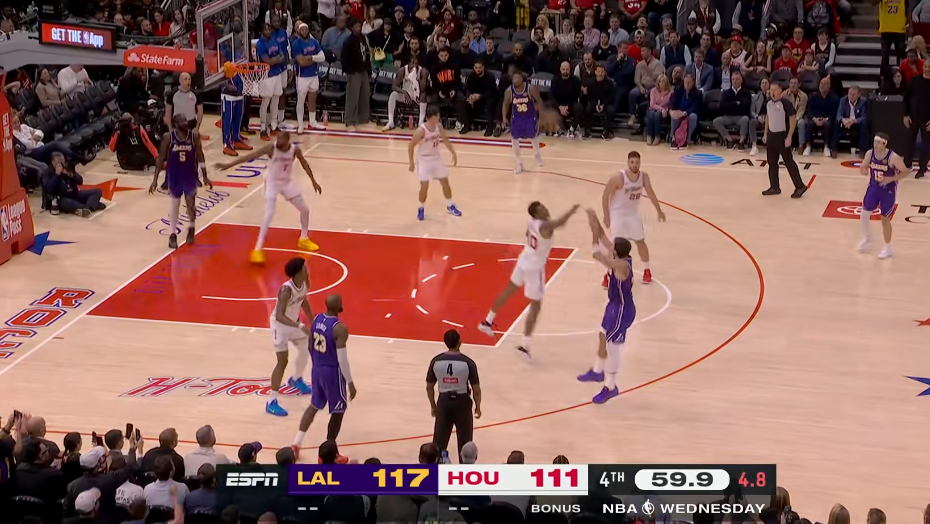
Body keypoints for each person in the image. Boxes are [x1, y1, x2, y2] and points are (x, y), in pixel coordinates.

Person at [478, 201, 581, 356]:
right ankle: (525, 345)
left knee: (509, 290)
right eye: (542, 209)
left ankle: (487, 321)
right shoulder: (545, 226)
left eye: (544, 206)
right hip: (535, 268)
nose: (545, 209)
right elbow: (559, 223)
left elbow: (528, 234)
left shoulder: (532, 222)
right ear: (537, 214)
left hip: (524, 260)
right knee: (536, 305)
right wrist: (571, 211)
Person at [215, 131, 323, 263]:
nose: (278, 143)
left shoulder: (295, 150)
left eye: (281, 141)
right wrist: (228, 165)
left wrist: (313, 181)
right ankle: (257, 249)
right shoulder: (272, 148)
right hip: (272, 181)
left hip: (286, 182)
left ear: (288, 140)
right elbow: (250, 156)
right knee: (269, 214)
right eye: (278, 140)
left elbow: (305, 164)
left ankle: (304, 239)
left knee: (305, 210)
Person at [577, 209, 634, 404]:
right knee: (602, 336)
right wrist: (594, 223)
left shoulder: (622, 266)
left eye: (613, 247)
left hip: (622, 310)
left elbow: (598, 255)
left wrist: (594, 241)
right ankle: (597, 371)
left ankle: (611, 386)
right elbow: (603, 238)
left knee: (614, 347)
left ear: (616, 252)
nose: (611, 247)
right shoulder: (619, 256)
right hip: (613, 306)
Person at [291, 294, 356, 464]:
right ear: (339, 306)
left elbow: (310, 345)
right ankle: (329, 453)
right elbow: (342, 359)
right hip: (332, 372)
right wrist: (350, 382)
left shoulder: (317, 320)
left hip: (317, 368)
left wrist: (317, 363)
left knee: (314, 406)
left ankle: (296, 444)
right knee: (338, 411)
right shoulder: (340, 328)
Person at [148, 114, 212, 250]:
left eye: (185, 119)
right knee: (175, 205)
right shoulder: (169, 137)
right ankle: (172, 235)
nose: (185, 122)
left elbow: (200, 156)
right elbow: (160, 159)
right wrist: (155, 180)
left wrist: (205, 176)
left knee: (191, 205)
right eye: (182, 121)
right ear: (176, 124)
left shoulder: (194, 136)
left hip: (189, 175)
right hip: (175, 176)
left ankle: (191, 228)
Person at [601, 150, 665, 286]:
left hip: (632, 214)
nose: (635, 165)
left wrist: (659, 210)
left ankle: (647, 270)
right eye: (632, 162)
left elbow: (651, 194)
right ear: (628, 163)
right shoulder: (619, 177)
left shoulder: (644, 177)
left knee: (640, 241)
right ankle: (607, 274)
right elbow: (605, 195)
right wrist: (606, 215)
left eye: (637, 162)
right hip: (617, 214)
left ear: (640, 163)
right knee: (614, 246)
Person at [426, 329, 481, 463]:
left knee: (439, 442)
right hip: (462, 403)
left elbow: (429, 387)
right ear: (459, 341)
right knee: (465, 441)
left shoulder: (436, 361)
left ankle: (436, 468)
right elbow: (476, 389)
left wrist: (433, 406)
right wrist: (478, 407)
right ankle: (464, 469)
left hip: (444, 402)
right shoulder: (468, 362)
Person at [858, 133, 907, 259]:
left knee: (885, 219)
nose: (876, 145)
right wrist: (863, 170)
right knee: (864, 214)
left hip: (888, 191)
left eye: (879, 142)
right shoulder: (870, 154)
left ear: (885, 144)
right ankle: (868, 238)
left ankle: (888, 248)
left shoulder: (893, 157)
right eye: (875, 142)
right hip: (873, 188)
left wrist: (891, 178)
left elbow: (905, 171)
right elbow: (863, 166)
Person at [408, 107, 462, 220]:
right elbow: (411, 146)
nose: (439, 117)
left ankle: (450, 205)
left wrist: (453, 152)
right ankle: (421, 208)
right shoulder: (421, 131)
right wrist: (411, 163)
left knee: (445, 182)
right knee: (424, 186)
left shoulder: (438, 127)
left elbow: (445, 139)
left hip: (436, 157)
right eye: (437, 116)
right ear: (432, 117)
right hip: (423, 159)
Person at [762, 82, 807, 198]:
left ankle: (800, 186)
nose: (772, 92)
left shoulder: (786, 103)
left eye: (775, 90)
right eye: (771, 90)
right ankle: (774, 187)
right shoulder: (768, 103)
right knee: (772, 162)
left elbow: (792, 119)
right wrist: (765, 133)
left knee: (788, 161)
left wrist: (789, 136)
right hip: (772, 135)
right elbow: (768, 117)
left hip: (782, 135)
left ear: (780, 91)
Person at [503, 70, 544, 174]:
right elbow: (505, 104)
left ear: (522, 79)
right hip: (517, 118)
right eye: (513, 78)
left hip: (530, 117)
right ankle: (519, 163)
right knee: (514, 139)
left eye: (517, 78)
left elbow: (539, 101)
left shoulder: (530, 88)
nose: (515, 80)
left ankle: (537, 155)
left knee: (533, 137)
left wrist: (541, 116)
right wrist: (504, 118)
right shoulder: (509, 91)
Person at [44, 153, 106, 217]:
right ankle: (91, 205)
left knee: (97, 191)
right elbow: (49, 189)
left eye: (63, 161)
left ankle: (88, 207)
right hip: (61, 199)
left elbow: (80, 181)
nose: (62, 164)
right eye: (59, 162)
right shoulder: (48, 172)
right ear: (53, 162)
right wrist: (56, 174)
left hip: (74, 194)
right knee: (68, 202)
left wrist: (71, 175)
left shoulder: (66, 167)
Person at [256, 23, 287, 140]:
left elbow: (282, 55)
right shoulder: (260, 44)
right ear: (261, 31)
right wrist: (275, 60)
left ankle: (274, 126)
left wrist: (275, 60)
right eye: (266, 30)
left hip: (277, 73)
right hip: (266, 76)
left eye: (269, 29)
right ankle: (263, 129)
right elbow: (267, 61)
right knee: (265, 102)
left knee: (276, 99)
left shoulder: (274, 40)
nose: (268, 31)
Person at [383, 55, 429, 131]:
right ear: (409, 63)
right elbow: (394, 86)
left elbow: (423, 89)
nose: (414, 65)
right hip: (405, 93)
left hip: (417, 94)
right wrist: (404, 92)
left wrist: (416, 78)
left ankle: (420, 122)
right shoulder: (402, 70)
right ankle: (390, 121)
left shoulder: (422, 71)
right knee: (393, 94)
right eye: (412, 63)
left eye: (416, 63)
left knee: (423, 95)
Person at [343, 17, 372, 132]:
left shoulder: (363, 38)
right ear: (352, 28)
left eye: (360, 26)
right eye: (356, 26)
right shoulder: (348, 41)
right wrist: (348, 71)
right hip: (353, 71)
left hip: (363, 70)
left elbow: (367, 54)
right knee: (353, 97)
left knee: (364, 95)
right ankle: (350, 121)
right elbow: (344, 57)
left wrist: (369, 70)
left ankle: (363, 119)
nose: (359, 28)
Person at [219, 63, 253, 157]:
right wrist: (225, 84)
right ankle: (227, 144)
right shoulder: (226, 72)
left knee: (238, 119)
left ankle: (236, 139)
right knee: (228, 120)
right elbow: (220, 79)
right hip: (228, 98)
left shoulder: (238, 71)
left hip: (239, 96)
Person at [714, 71, 752, 150]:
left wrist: (730, 106)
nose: (735, 81)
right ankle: (730, 140)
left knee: (745, 119)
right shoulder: (726, 93)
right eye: (733, 79)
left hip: (740, 117)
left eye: (737, 79)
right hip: (728, 117)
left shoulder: (746, 92)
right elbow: (722, 107)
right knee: (716, 121)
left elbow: (745, 106)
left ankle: (741, 142)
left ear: (741, 81)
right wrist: (735, 104)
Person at [166, 72, 209, 142]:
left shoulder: (195, 94)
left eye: (189, 79)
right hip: (177, 125)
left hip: (191, 124)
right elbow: (168, 112)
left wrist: (197, 127)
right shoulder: (172, 94)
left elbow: (200, 111)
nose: (188, 81)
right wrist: (170, 128)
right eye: (185, 79)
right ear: (180, 81)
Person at [904, 61, 930, 177]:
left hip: (927, 119)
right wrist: (906, 114)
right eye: (926, 67)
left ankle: (922, 168)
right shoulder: (914, 80)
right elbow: (906, 98)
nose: (927, 69)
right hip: (913, 116)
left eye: (929, 67)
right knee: (909, 141)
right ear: (922, 67)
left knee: (926, 144)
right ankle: (907, 164)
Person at [802, 77, 838, 156]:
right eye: (821, 84)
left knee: (828, 125)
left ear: (829, 86)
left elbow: (835, 113)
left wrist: (826, 119)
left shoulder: (834, 98)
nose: (822, 86)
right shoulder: (812, 96)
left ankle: (826, 147)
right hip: (815, 119)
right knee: (808, 124)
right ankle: (808, 146)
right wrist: (814, 119)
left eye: (825, 84)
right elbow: (808, 111)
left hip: (827, 119)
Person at [581, 64, 617, 140]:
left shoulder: (610, 83)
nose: (600, 74)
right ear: (595, 72)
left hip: (606, 104)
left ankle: (607, 131)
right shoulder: (590, 83)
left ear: (605, 73)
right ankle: (587, 131)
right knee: (587, 109)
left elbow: (611, 97)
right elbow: (589, 97)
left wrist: (603, 105)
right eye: (598, 71)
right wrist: (596, 105)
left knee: (611, 110)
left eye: (602, 72)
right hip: (594, 104)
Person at [832, 85, 869, 158]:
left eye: (853, 94)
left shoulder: (863, 102)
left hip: (856, 123)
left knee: (864, 124)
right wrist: (843, 120)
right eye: (850, 94)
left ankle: (862, 150)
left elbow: (864, 117)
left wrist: (853, 121)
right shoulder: (843, 100)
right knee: (836, 123)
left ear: (858, 94)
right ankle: (834, 149)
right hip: (845, 122)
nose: (851, 96)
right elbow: (839, 115)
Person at [463, 59, 497, 136]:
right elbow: (468, 88)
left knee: (489, 102)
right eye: (476, 67)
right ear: (473, 68)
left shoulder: (490, 76)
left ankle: (490, 127)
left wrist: (480, 96)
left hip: (488, 97)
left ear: (483, 67)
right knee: (465, 100)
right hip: (476, 97)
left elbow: (492, 92)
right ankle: (467, 125)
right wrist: (470, 96)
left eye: (479, 67)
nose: (478, 69)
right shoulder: (471, 76)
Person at [669, 73, 701, 149]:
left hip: (689, 113)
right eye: (685, 82)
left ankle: (687, 139)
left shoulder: (698, 93)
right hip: (679, 111)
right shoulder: (678, 90)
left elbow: (695, 107)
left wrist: (684, 113)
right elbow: (672, 102)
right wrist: (671, 111)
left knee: (693, 116)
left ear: (693, 82)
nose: (687, 84)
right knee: (674, 115)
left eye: (689, 82)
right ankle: (674, 138)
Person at [552, 60, 583, 138]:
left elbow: (576, 96)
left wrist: (567, 107)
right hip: (559, 105)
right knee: (549, 105)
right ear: (560, 69)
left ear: (570, 69)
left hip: (570, 105)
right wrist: (560, 106)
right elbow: (552, 95)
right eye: (563, 69)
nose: (565, 71)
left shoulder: (575, 80)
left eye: (567, 69)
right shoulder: (555, 79)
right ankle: (556, 128)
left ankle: (572, 128)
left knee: (579, 106)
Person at [879, 0, 906, 75]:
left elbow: (907, 10)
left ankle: (902, 74)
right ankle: (883, 76)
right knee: (885, 54)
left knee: (901, 53)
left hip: (899, 28)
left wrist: (910, 24)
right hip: (886, 29)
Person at [644, 73, 672, 145]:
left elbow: (671, 104)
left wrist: (665, 110)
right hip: (653, 109)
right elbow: (652, 104)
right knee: (652, 113)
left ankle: (657, 136)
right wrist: (661, 109)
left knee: (657, 114)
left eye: (663, 81)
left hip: (664, 112)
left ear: (666, 82)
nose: (661, 83)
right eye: (660, 81)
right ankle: (649, 136)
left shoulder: (671, 92)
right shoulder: (653, 90)